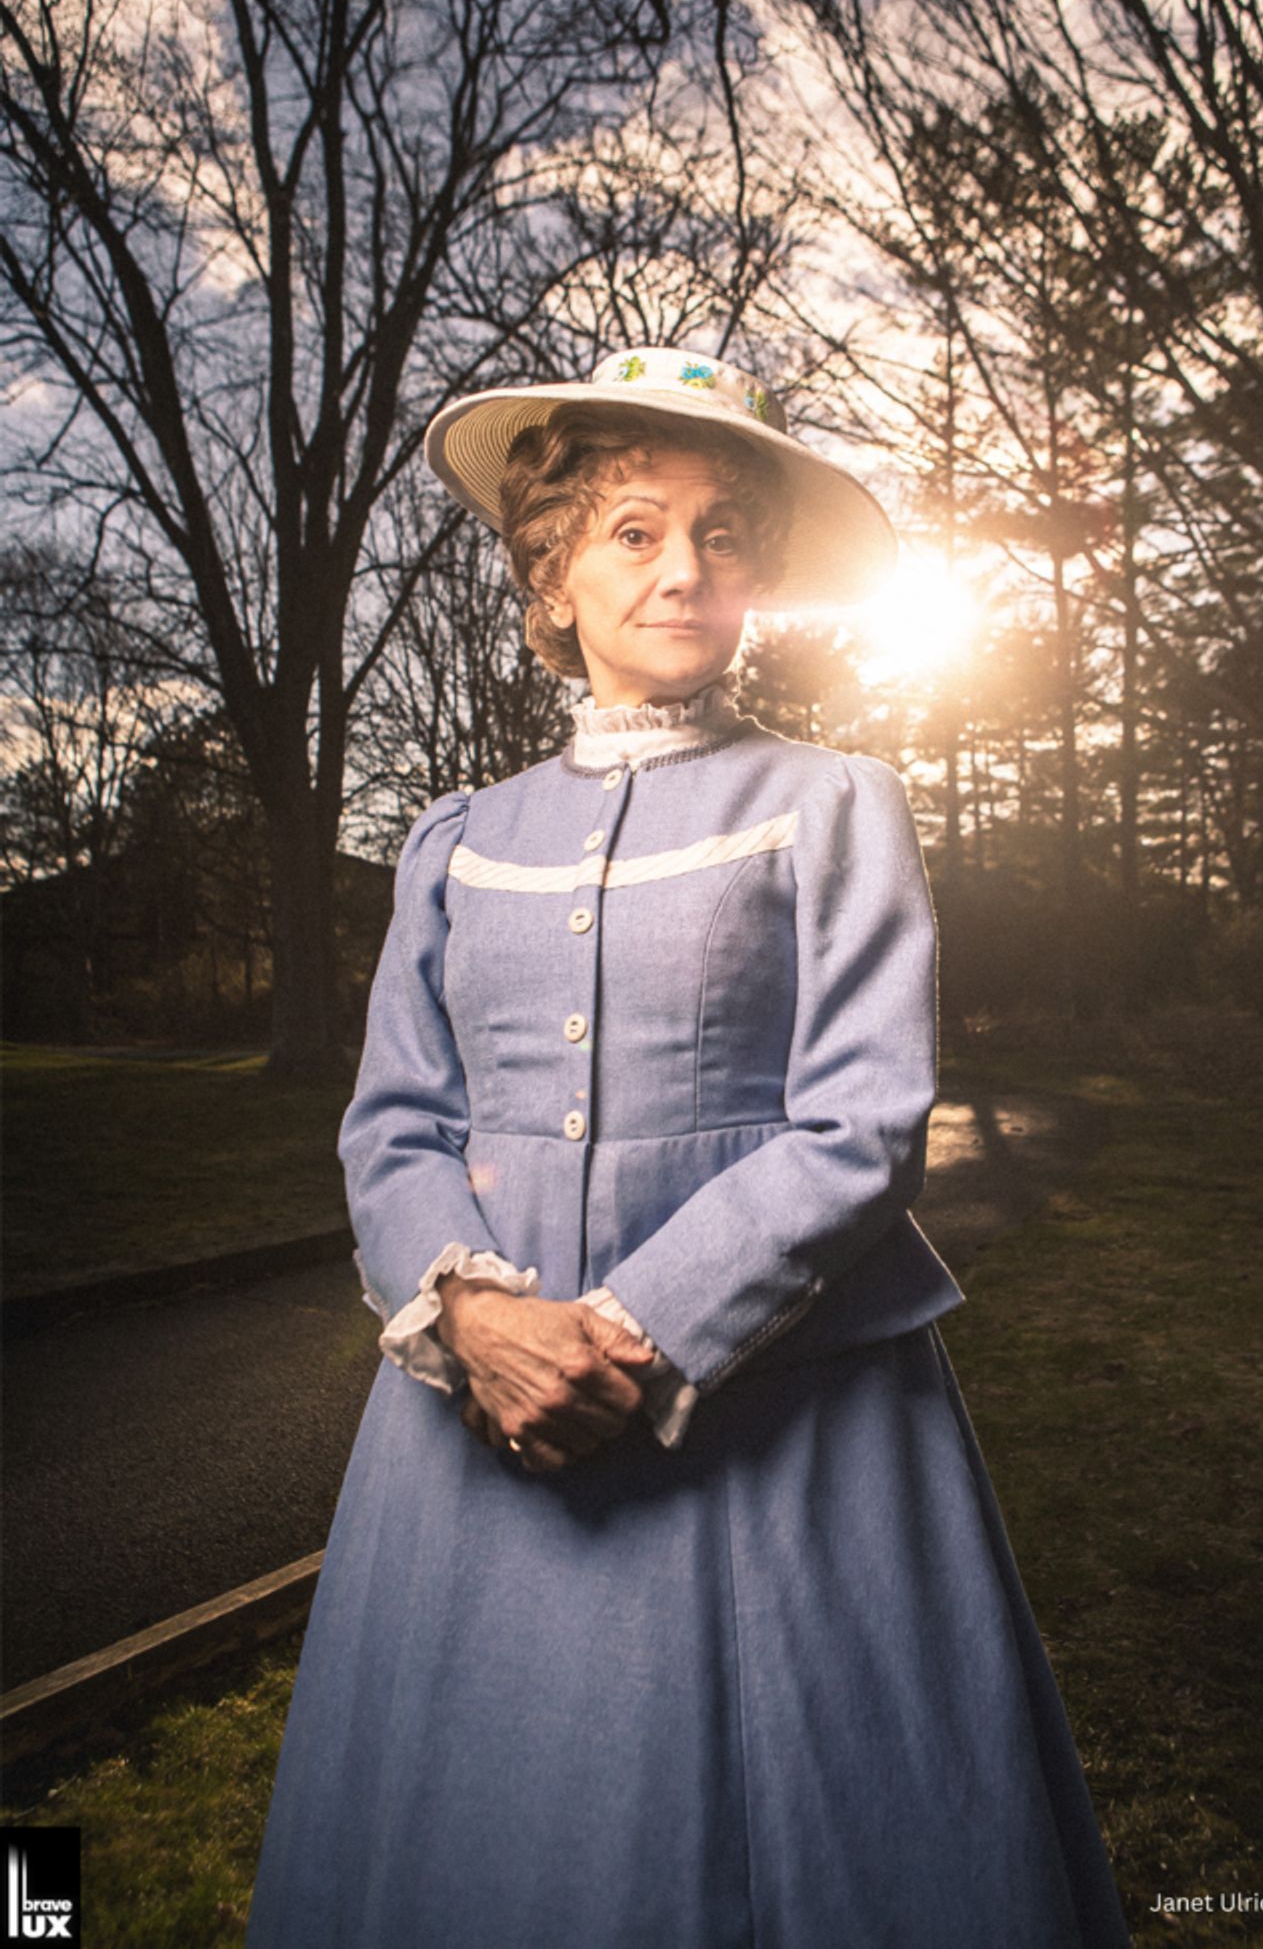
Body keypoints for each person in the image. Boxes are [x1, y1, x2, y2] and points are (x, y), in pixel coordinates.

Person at [245, 345, 1130, 1948]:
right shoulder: (453, 843)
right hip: (472, 1423)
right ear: (554, 572)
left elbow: (862, 1123)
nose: (684, 570)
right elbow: (397, 1120)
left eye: (723, 534)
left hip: (789, 1426)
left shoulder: (836, 803)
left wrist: (622, 1340)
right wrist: (471, 1315)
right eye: (635, 531)